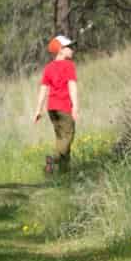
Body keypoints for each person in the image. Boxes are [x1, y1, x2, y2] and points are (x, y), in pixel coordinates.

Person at [33, 35, 78, 175]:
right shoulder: (69, 65)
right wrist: (76, 107)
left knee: (60, 139)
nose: (72, 49)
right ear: (61, 50)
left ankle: (64, 173)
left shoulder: (48, 68)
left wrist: (38, 110)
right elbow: (72, 87)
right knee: (68, 136)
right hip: (64, 107)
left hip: (51, 108)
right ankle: (53, 159)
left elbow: (43, 89)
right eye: (69, 47)